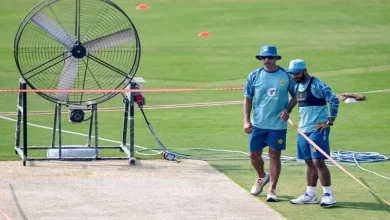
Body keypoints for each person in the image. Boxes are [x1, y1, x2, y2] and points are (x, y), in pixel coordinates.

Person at [243, 45, 297, 202]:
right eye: (264, 57)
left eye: (270, 57)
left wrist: (288, 109)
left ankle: (272, 189)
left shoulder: (286, 75)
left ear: (276, 58)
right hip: (258, 123)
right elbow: (248, 98)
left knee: (274, 155)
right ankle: (261, 176)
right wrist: (246, 120)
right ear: (260, 59)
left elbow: (296, 95)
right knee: (254, 155)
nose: (267, 60)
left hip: (277, 125)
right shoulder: (254, 76)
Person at [286, 59, 339, 207]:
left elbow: (333, 99)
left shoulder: (316, 84)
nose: (294, 76)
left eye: (297, 73)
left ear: (304, 70)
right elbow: (296, 98)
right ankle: (310, 194)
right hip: (303, 130)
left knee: (318, 161)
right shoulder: (298, 85)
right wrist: (288, 109)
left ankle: (328, 195)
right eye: (292, 74)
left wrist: (329, 122)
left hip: (317, 130)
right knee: (309, 162)